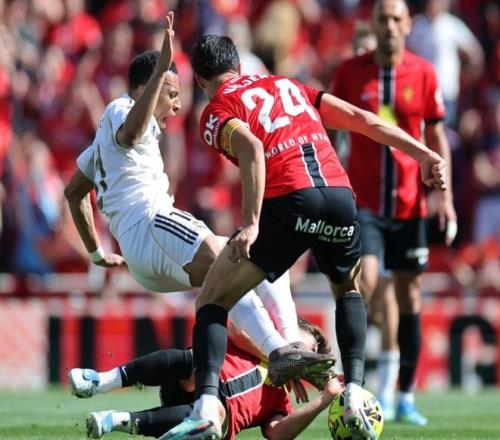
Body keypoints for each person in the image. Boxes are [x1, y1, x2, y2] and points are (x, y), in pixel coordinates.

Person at [164, 32, 447, 440]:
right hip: (340, 196)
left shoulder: (217, 108)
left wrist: (252, 222)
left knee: (212, 299)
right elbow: (363, 120)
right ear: (238, 66)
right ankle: (354, 393)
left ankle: (207, 408)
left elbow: (252, 148)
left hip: (290, 200)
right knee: (347, 291)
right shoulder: (290, 85)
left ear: (200, 79)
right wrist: (422, 153)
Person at [63, 12, 320, 377]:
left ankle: (287, 345)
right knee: (234, 265)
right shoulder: (121, 109)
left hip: (142, 255)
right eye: (172, 94)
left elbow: (74, 192)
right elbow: (131, 133)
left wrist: (96, 254)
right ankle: (281, 351)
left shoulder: (101, 148)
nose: (178, 105)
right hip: (151, 224)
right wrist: (162, 69)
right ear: (148, 88)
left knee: (252, 261)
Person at [331, 0, 456, 425]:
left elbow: (437, 137)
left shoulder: (423, 73)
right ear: (373, 23)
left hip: (409, 204)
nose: (388, 26)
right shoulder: (350, 72)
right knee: (364, 280)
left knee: (409, 296)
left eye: (395, 19)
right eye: (381, 19)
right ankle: (354, 382)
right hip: (364, 202)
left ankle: (404, 395)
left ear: (407, 25)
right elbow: (328, 126)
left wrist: (446, 197)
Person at [69, 315, 342, 440]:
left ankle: (114, 420)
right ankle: (100, 381)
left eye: (311, 355)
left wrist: (325, 398)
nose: (306, 356)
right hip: (192, 379)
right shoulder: (260, 341)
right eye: (306, 348)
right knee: (195, 361)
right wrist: (280, 357)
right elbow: (235, 330)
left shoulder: (281, 399)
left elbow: (276, 433)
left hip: (206, 419)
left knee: (214, 417)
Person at [406, 0, 484, 127]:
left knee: (444, 130)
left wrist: (468, 76)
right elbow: (404, 52)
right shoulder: (417, 25)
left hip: (446, 91)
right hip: (421, 91)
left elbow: (474, 51)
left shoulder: (452, 25)